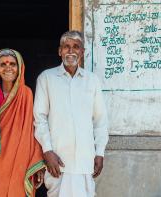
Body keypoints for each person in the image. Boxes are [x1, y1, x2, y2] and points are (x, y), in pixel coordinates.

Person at [34, 30, 109, 197]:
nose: (71, 51)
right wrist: (47, 151)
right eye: (66, 46)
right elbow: (39, 119)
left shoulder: (92, 81)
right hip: (58, 161)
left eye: (76, 47)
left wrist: (100, 152)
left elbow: (100, 120)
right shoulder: (46, 78)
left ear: (82, 52)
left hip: (85, 160)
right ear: (59, 51)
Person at [0, 49, 45, 197]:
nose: (8, 68)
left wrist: (37, 161)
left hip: (21, 159)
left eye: (13, 64)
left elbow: (33, 129)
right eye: (3, 64)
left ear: (19, 68)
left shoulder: (26, 94)